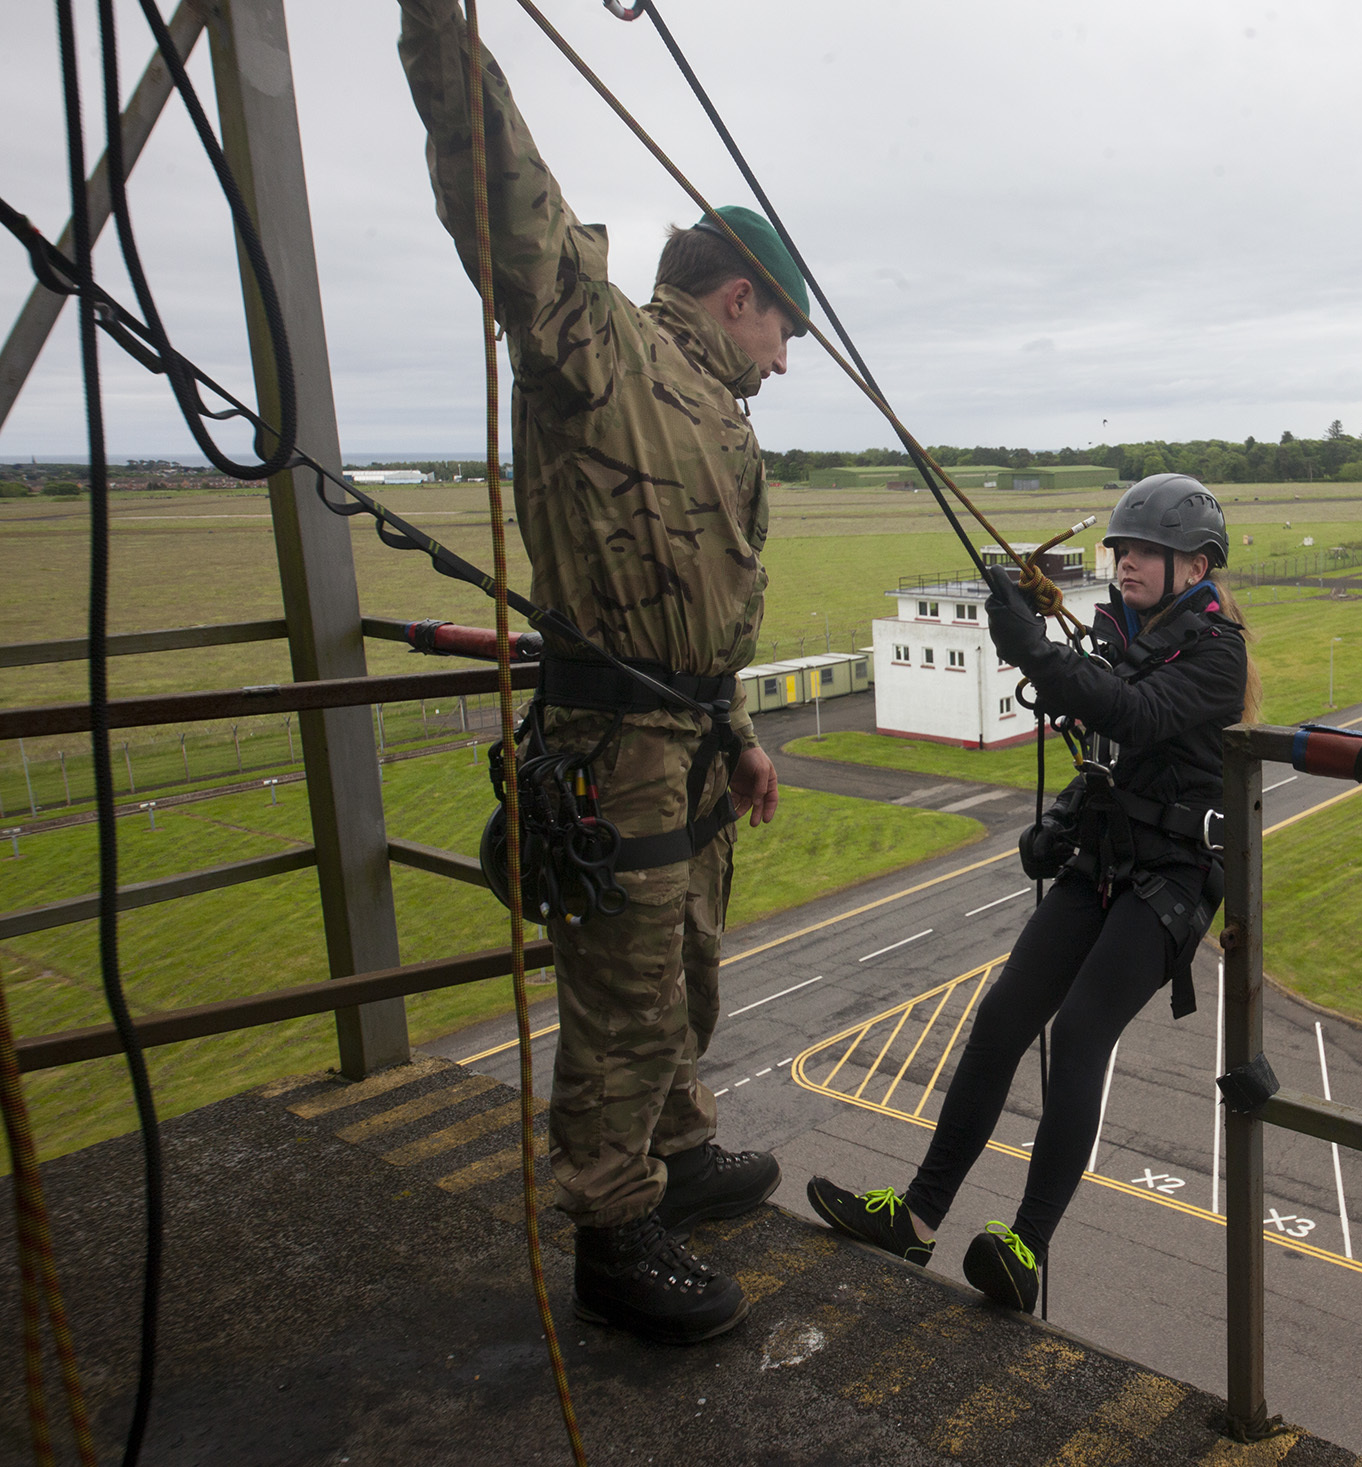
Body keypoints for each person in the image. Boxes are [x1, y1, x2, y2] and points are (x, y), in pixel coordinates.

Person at [397, 0, 803, 1343]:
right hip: (609, 738)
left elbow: (710, 603)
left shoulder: (717, 418)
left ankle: (678, 1151)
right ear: (737, 297)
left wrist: (736, 726)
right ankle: (614, 1229)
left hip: (684, 735)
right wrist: (436, 24)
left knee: (685, 963)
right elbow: (504, 193)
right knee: (623, 991)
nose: (786, 358)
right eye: (782, 328)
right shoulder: (602, 352)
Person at [806, 475, 1257, 1310]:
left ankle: (1026, 1244)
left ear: (1195, 563)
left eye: (1144, 552)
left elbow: (1129, 713)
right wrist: (1065, 818)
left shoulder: (1216, 653)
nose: (1124, 564)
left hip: (1171, 882)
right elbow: (1106, 745)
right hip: (1105, 858)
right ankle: (919, 1214)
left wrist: (1029, 649)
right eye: (1120, 549)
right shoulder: (1124, 629)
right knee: (1004, 1017)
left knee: (1081, 1033)